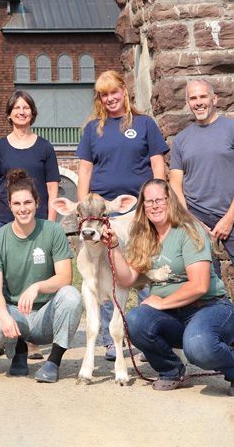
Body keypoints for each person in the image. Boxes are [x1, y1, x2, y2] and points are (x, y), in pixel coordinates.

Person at [103, 178, 234, 393]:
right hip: (173, 315)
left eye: (160, 200)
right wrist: (115, 247)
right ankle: (173, 371)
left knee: (199, 348)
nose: (155, 205)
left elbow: (200, 286)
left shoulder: (189, 231)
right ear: (142, 207)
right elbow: (126, 279)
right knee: (135, 319)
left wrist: (162, 303)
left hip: (209, 307)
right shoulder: (142, 236)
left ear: (170, 201)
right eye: (148, 201)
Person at [76, 69, 168, 360]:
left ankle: (146, 339)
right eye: (104, 95)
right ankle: (108, 340)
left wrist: (158, 201)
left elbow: (158, 166)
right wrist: (85, 213)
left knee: (143, 268)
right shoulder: (93, 129)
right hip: (104, 212)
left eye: (114, 91)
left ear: (124, 90)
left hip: (138, 209)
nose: (110, 98)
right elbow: (85, 172)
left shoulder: (144, 124)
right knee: (103, 272)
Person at [0, 169, 83, 383]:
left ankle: (53, 362)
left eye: (28, 202)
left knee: (71, 295)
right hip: (16, 313)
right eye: (17, 204)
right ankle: (19, 351)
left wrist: (37, 286)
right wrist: (5, 316)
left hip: (46, 315)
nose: (23, 209)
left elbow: (65, 278)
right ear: (9, 206)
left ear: (37, 202)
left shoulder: (53, 231)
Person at [0, 89, 59, 360]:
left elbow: (53, 189)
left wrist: (50, 225)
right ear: (9, 114)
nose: (21, 111)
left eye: (25, 107)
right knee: (1, 279)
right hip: (6, 222)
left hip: (37, 223)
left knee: (35, 275)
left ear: (33, 112)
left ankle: (31, 339)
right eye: (16, 108)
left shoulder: (45, 147)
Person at [169, 79, 234, 268]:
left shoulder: (231, 129)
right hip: (197, 217)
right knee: (205, 283)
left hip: (230, 211)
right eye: (193, 98)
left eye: (203, 96)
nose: (199, 102)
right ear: (187, 103)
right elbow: (175, 185)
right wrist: (192, 222)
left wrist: (229, 218)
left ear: (214, 99)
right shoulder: (181, 140)